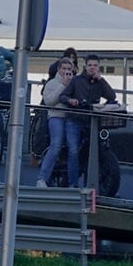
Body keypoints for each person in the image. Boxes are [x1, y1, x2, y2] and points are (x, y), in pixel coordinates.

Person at [36, 60, 83, 188]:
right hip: (56, 116)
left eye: (69, 69)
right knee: (56, 145)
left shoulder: (76, 83)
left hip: (71, 118)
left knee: (74, 148)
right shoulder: (51, 84)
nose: (66, 71)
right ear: (58, 69)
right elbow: (49, 101)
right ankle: (42, 178)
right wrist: (62, 85)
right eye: (64, 68)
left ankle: (73, 182)